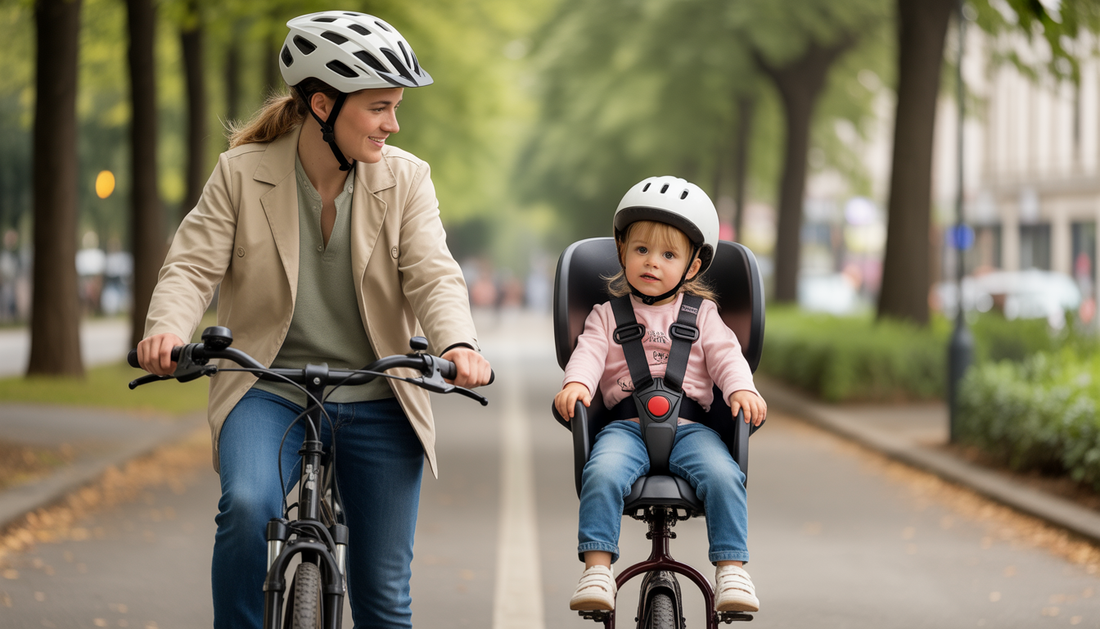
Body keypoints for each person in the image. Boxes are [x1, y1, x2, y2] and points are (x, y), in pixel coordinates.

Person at [135, 11, 492, 629]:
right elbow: (191, 266)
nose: (393, 124)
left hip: (380, 391)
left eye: (395, 107)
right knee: (247, 510)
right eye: (378, 107)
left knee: (383, 595)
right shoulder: (241, 174)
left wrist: (458, 344)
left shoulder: (407, 180)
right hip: (267, 388)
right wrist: (166, 329)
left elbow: (434, 273)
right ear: (323, 105)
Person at [553, 176, 767, 614]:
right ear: (622, 253)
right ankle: (597, 568)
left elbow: (727, 357)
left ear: (691, 267)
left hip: (692, 430)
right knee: (602, 472)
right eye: (641, 250)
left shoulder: (703, 315)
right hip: (624, 428)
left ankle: (731, 569)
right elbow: (589, 355)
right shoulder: (605, 315)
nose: (652, 262)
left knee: (725, 477)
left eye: (668, 254)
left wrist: (742, 389)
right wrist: (577, 384)